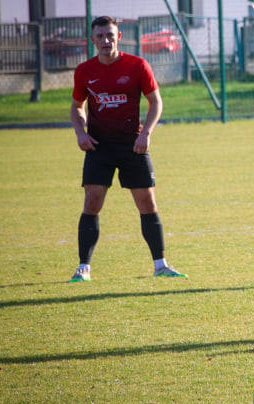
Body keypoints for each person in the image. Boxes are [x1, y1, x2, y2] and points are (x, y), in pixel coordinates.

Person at [68, 16, 186, 282]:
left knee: (147, 203)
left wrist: (146, 134)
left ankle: (161, 265)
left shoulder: (137, 65)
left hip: (133, 145)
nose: (106, 40)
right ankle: (83, 268)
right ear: (93, 40)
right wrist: (80, 132)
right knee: (92, 202)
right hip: (99, 147)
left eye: (110, 35)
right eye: (100, 36)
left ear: (119, 37)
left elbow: (156, 102)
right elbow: (77, 106)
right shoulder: (84, 71)